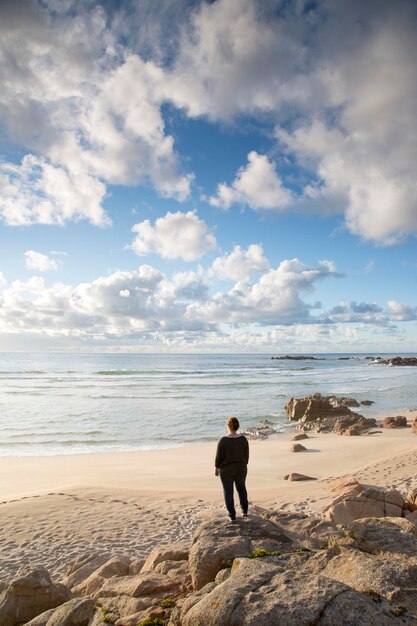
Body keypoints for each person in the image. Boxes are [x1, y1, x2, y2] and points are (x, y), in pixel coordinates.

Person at [215, 416, 249, 521]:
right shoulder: (243, 439)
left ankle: (232, 515)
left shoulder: (223, 441)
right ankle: (245, 511)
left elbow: (218, 457)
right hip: (241, 468)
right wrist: (243, 465)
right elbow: (246, 456)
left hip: (226, 470)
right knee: (241, 489)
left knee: (228, 492)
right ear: (237, 426)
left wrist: (216, 468)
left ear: (228, 426)